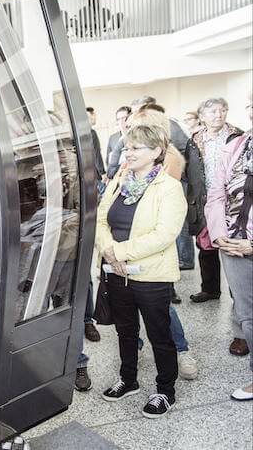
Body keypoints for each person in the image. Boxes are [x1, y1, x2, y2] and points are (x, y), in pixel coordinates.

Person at [96, 124, 186, 418]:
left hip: (151, 275)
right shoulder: (119, 181)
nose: (128, 153)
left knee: (159, 334)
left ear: (157, 152)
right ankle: (129, 379)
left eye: (136, 148)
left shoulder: (169, 187)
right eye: (127, 147)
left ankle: (165, 391)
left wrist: (119, 252)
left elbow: (164, 234)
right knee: (125, 331)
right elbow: (100, 220)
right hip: (116, 271)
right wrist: (109, 250)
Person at [120, 107, 198, 379]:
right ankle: (137, 347)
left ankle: (182, 351)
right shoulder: (130, 160)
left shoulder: (172, 160)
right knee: (129, 307)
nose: (127, 132)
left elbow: (160, 211)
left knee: (162, 308)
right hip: (128, 247)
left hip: (151, 250)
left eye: (134, 128)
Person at [205, 94, 253, 401]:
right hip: (233, 244)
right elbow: (217, 194)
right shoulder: (236, 146)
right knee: (248, 315)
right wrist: (220, 235)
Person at [106, 106, 131, 179]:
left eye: (124, 118)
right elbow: (109, 163)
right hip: (117, 176)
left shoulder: (137, 136)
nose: (121, 122)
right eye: (118, 119)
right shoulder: (113, 138)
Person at [86, 107, 107, 189]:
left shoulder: (80, 135)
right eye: (94, 115)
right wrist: (102, 173)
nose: (95, 118)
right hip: (96, 175)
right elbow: (96, 154)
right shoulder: (91, 133)